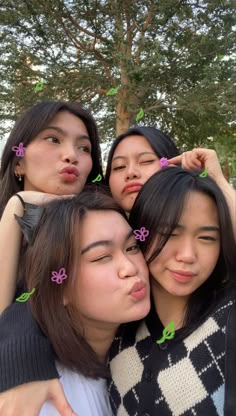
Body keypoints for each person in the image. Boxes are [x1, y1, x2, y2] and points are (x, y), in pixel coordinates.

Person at [2, 190, 150, 416]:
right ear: (59, 286)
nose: (131, 268)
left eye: (132, 247)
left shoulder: (140, 357)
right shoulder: (41, 400)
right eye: (101, 257)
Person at [109, 167, 236, 415]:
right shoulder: (116, 325)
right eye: (169, 233)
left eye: (207, 238)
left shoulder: (227, 320)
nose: (187, 255)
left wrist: (220, 181)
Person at [0, 100, 103, 313]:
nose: (72, 156)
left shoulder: (101, 230)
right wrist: (15, 208)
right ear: (19, 161)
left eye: (84, 148)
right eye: (53, 139)